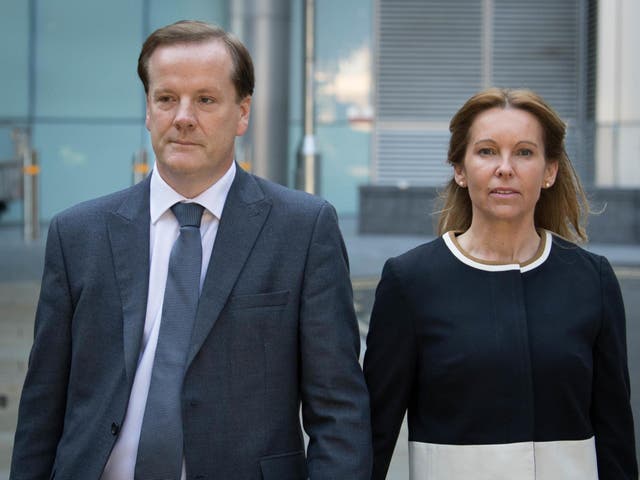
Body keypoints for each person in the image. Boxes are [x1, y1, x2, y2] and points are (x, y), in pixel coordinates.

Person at [10, 20, 372, 480]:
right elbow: (43, 405)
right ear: (148, 110)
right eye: (166, 99)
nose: (183, 116)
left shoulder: (303, 229)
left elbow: (339, 411)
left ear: (242, 113)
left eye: (205, 99)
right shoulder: (77, 234)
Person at [364, 88, 638, 479]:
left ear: (549, 170)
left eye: (524, 152)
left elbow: (616, 437)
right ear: (460, 168)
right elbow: (374, 434)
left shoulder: (591, 280)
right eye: (487, 151)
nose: (505, 168)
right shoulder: (411, 282)